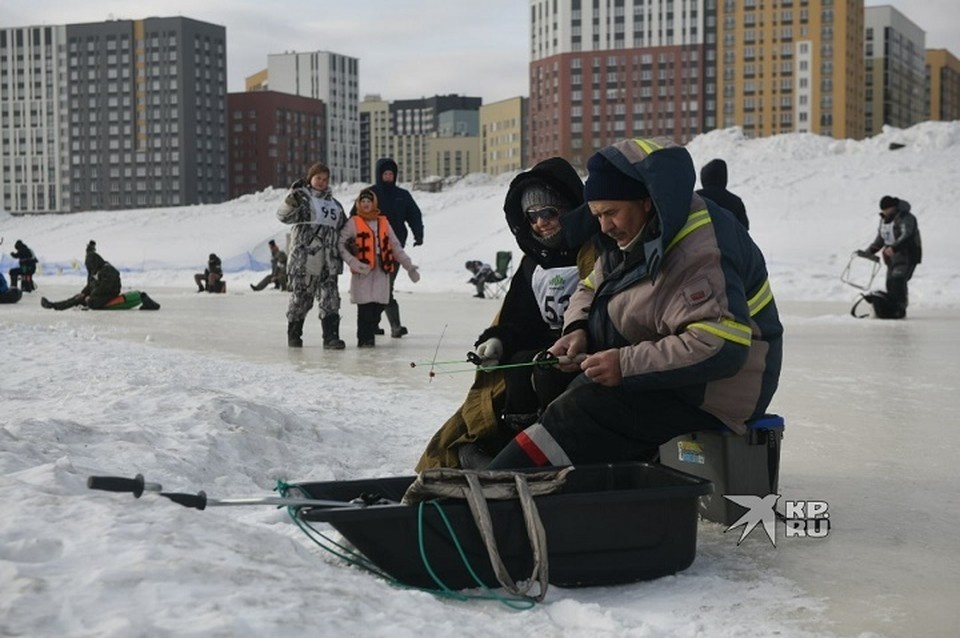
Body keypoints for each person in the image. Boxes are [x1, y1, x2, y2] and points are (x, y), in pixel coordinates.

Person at [484, 137, 783, 470]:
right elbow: (589, 286)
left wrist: (626, 364)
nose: (604, 226)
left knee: (586, 409)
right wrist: (577, 328)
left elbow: (720, 345)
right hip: (675, 374)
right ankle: (524, 476)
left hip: (715, 391)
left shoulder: (699, 252)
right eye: (597, 215)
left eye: (611, 213)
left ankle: (506, 481)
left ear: (646, 200)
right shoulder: (635, 234)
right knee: (569, 388)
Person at [415, 157, 601, 471]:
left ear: (571, 209)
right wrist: (498, 340)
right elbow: (519, 317)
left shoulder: (594, 251)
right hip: (545, 348)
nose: (541, 222)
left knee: (546, 371)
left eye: (549, 212)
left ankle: (551, 449)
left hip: (585, 349)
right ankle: (517, 443)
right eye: (532, 216)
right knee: (517, 369)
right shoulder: (533, 263)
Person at [338, 188, 420, 347]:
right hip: (363, 270)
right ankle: (365, 341)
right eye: (363, 201)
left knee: (380, 304)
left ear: (374, 203)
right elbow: (341, 245)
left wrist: (409, 266)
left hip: (382, 269)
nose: (366, 204)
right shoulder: (353, 223)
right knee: (364, 308)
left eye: (369, 201)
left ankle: (369, 336)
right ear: (358, 204)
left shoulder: (383, 222)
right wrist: (353, 262)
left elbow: (396, 246)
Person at [278, 162, 347, 349]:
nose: (322, 182)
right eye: (318, 178)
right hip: (304, 261)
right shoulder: (303, 199)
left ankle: (331, 337)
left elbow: (344, 229)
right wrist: (291, 199)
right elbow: (283, 217)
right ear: (310, 179)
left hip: (329, 261)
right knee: (301, 299)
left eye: (325, 179)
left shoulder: (335, 205)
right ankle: (294, 335)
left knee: (330, 299)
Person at [353, 158, 424, 338]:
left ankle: (395, 327)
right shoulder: (369, 194)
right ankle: (374, 325)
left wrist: (418, 234)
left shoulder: (403, 195)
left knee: (386, 287)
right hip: (369, 251)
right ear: (379, 174)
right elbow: (354, 216)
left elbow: (414, 215)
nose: (388, 177)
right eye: (385, 173)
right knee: (373, 289)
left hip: (393, 249)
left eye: (391, 174)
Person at [859, 195, 922, 319]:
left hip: (907, 256)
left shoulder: (906, 218)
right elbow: (881, 239)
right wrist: (869, 252)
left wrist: (894, 248)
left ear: (894, 207)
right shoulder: (884, 220)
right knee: (890, 283)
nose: (885, 212)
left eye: (887, 209)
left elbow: (907, 235)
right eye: (883, 209)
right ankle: (892, 309)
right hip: (892, 259)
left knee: (898, 281)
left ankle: (900, 309)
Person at [41, 242, 122, 310]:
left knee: (89, 301)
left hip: (109, 294)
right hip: (99, 293)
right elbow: (91, 284)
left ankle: (55, 306)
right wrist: (83, 293)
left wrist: (91, 295)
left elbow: (105, 287)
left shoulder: (108, 270)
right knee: (78, 297)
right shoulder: (96, 270)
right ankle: (54, 305)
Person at [697, 158, 749, 230]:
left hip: (698, 239)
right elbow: (744, 229)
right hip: (729, 240)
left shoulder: (694, 198)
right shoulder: (735, 201)